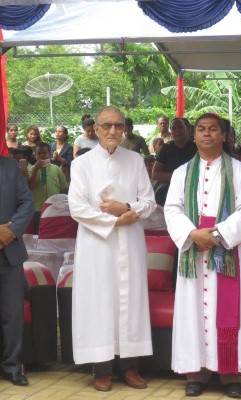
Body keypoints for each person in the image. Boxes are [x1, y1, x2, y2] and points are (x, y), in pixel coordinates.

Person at [164, 113, 241, 399]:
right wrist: (193, 233)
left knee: (227, 312)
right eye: (201, 129)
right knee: (192, 312)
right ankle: (196, 373)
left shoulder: (239, 170)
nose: (207, 133)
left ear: (223, 135)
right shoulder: (181, 173)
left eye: (213, 129)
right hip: (193, 250)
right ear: (194, 136)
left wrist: (216, 235)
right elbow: (172, 209)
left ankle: (231, 374)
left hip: (224, 249)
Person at [68, 106, 157, 392]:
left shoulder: (135, 160)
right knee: (100, 301)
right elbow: (77, 208)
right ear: (95, 128)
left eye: (118, 125)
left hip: (130, 240)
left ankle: (130, 366)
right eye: (107, 125)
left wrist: (127, 207)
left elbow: (150, 202)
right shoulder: (81, 163)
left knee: (130, 300)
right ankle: (101, 367)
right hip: (97, 243)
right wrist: (114, 220)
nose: (113, 131)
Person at [0, 155, 34, 386]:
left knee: (13, 314)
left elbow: (27, 203)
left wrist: (10, 232)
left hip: (9, 252)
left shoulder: (10, 166)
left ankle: (11, 366)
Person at [153, 118, 197, 205]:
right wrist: (176, 177)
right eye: (174, 129)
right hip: (168, 193)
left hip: (193, 191)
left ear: (187, 129)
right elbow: (155, 174)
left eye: (180, 127)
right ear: (171, 132)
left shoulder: (197, 148)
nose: (177, 131)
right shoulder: (166, 148)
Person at [28, 142, 69, 231]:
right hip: (37, 208)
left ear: (50, 154)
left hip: (55, 207)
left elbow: (63, 188)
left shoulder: (56, 169)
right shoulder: (31, 169)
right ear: (35, 155)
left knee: (53, 231)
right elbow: (31, 186)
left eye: (44, 153)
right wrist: (36, 169)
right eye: (39, 153)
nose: (42, 156)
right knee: (38, 231)